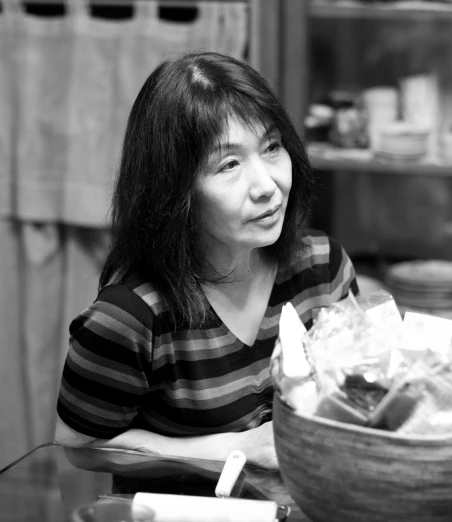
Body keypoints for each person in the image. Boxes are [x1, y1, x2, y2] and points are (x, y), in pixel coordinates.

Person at [54, 51, 359, 470]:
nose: (267, 186)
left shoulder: (322, 266)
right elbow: (79, 445)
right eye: (229, 164)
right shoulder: (130, 317)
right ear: (175, 191)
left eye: (272, 147)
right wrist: (235, 449)